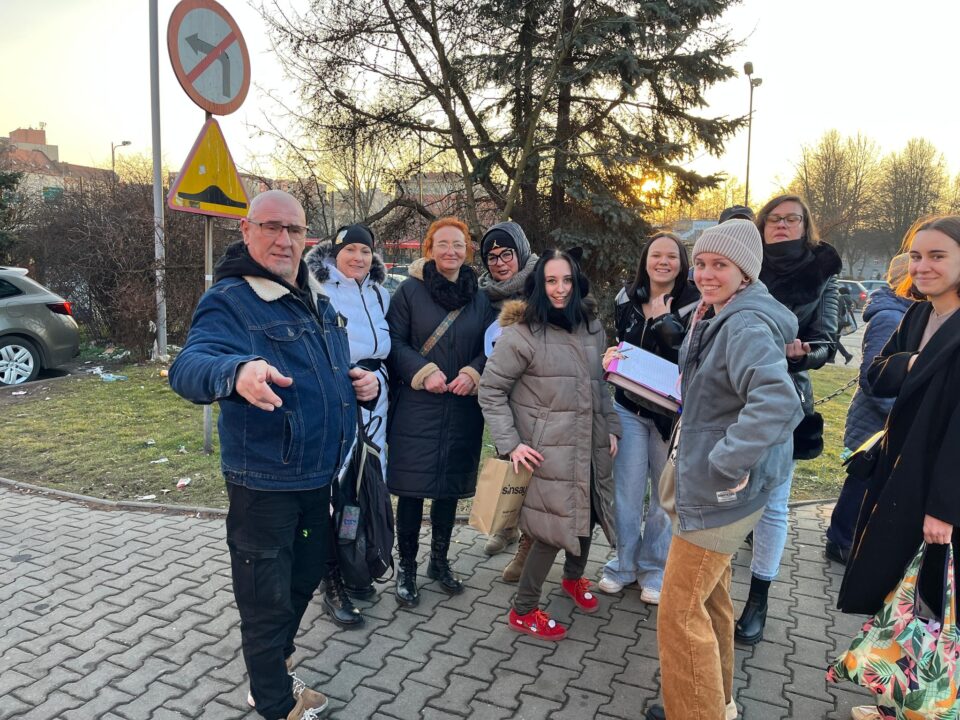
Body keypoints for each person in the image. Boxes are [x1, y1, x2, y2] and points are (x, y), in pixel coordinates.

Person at [169, 190, 380, 720]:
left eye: (294, 229)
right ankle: (272, 699)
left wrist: (357, 384)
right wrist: (235, 373)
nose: (284, 240)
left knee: (306, 572)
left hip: (318, 476)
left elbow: (324, 369)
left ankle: (272, 663)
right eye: (271, 227)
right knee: (264, 599)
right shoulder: (231, 300)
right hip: (265, 481)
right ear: (246, 231)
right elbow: (189, 366)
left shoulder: (315, 297)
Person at [645, 220, 802, 720]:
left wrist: (728, 458)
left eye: (721, 266)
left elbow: (777, 400)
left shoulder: (745, 324)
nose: (707, 274)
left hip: (720, 493)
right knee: (710, 601)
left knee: (680, 612)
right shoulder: (719, 312)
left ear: (746, 273)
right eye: (704, 264)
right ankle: (719, 704)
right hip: (721, 489)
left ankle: (696, 713)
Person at [838, 216, 960, 720]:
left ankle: (929, 708)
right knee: (901, 602)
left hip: (938, 488)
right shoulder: (917, 316)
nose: (922, 266)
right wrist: (911, 362)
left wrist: (944, 509)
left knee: (933, 605)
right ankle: (895, 704)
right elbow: (876, 374)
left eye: (937, 256)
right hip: (898, 475)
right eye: (915, 255)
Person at [479, 248, 621, 640]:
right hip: (548, 451)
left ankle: (573, 579)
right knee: (548, 531)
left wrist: (611, 428)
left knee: (589, 511)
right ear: (539, 286)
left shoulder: (591, 326)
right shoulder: (522, 334)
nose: (560, 289)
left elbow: (600, 386)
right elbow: (490, 390)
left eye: (568, 280)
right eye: (551, 281)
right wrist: (511, 445)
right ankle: (523, 609)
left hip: (590, 442)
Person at [735, 194, 841, 646]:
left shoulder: (823, 273)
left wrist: (805, 353)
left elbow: (827, 340)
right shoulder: (744, 265)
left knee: (774, 504)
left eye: (791, 219)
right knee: (726, 498)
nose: (782, 225)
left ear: (805, 225)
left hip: (784, 396)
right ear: (761, 226)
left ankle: (758, 598)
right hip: (731, 396)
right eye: (774, 219)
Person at [386, 216, 496, 607]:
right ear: (429, 249)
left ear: (467, 250)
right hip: (418, 407)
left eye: (459, 244)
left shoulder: (480, 299)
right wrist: (423, 371)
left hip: (462, 408)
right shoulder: (409, 294)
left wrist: (473, 372)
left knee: (448, 490)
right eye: (443, 244)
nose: (451, 251)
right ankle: (407, 570)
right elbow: (394, 343)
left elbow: (491, 347)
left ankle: (439, 562)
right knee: (414, 492)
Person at [597, 232, 700, 602]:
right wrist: (612, 355)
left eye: (671, 256)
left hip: (668, 417)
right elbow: (619, 342)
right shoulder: (627, 297)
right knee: (626, 493)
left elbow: (693, 358)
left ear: (681, 262)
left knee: (662, 497)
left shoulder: (694, 304)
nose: (663, 262)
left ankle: (654, 569)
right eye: (656, 255)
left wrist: (665, 322)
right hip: (628, 407)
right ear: (645, 259)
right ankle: (623, 563)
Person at [306, 223, 391, 601]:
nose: (358, 258)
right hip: (340, 399)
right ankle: (332, 578)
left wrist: (379, 380)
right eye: (350, 250)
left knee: (367, 486)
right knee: (336, 489)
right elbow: (313, 349)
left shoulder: (378, 293)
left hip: (377, 399)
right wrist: (350, 381)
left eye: (365, 251)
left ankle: (359, 564)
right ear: (334, 252)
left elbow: (386, 347)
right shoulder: (317, 289)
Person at [825, 254, 912, 564]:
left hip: (886, 416)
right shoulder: (891, 317)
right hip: (877, 417)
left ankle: (851, 537)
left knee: (871, 479)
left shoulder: (909, 313)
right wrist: (899, 413)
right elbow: (872, 375)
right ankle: (840, 539)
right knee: (861, 478)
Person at [475, 221, 539, 558]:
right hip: (501, 390)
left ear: (521, 252)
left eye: (506, 254)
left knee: (536, 462)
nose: (499, 263)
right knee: (506, 454)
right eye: (492, 257)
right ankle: (504, 527)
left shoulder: (542, 284)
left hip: (538, 389)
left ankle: (532, 538)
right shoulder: (484, 293)